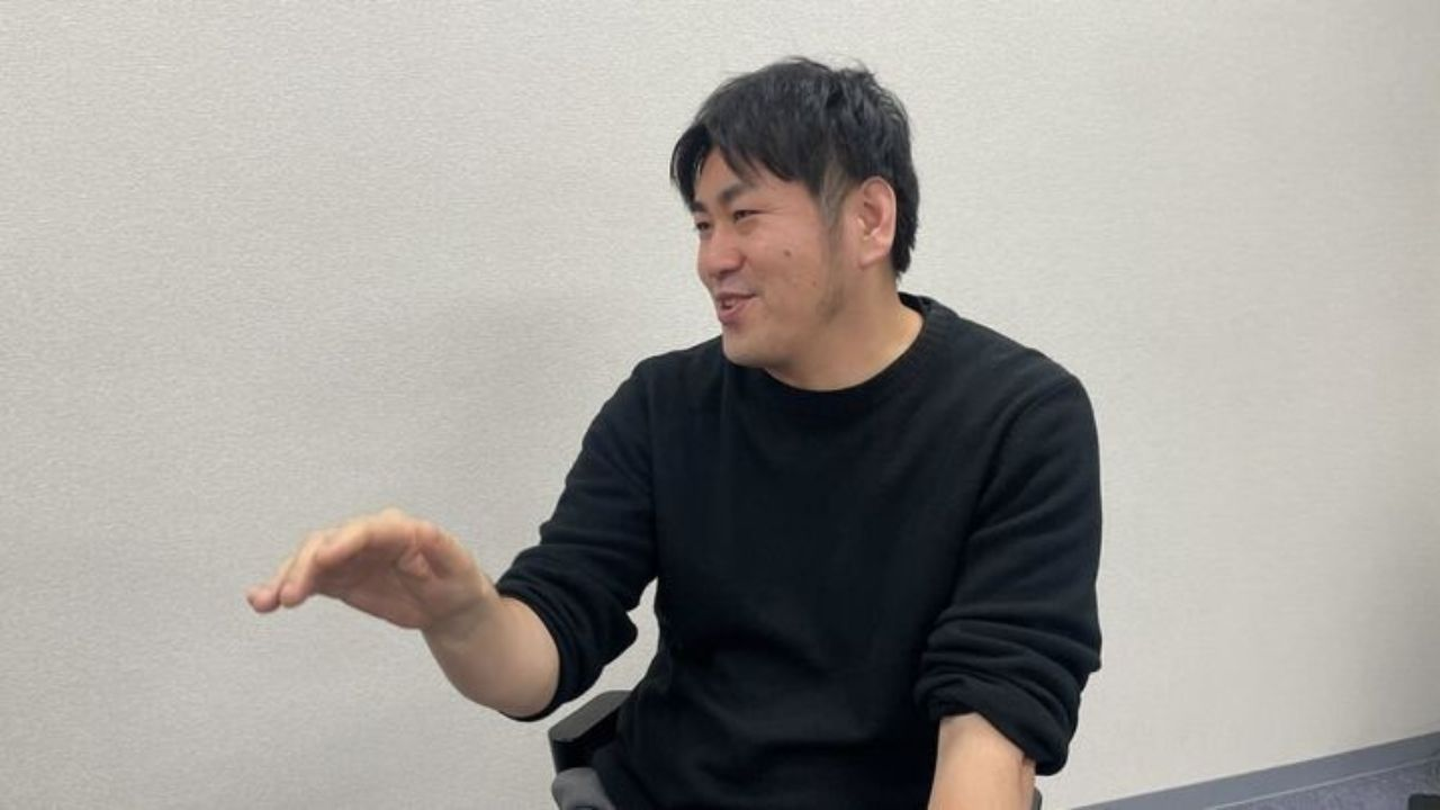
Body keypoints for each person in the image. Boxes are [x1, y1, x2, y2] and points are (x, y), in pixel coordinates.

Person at [247, 57, 1102, 810]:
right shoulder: (664, 405)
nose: (711, 258)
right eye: (701, 224)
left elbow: (993, 725)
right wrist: (461, 615)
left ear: (869, 220)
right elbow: (539, 657)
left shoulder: (1020, 419)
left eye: (744, 215)